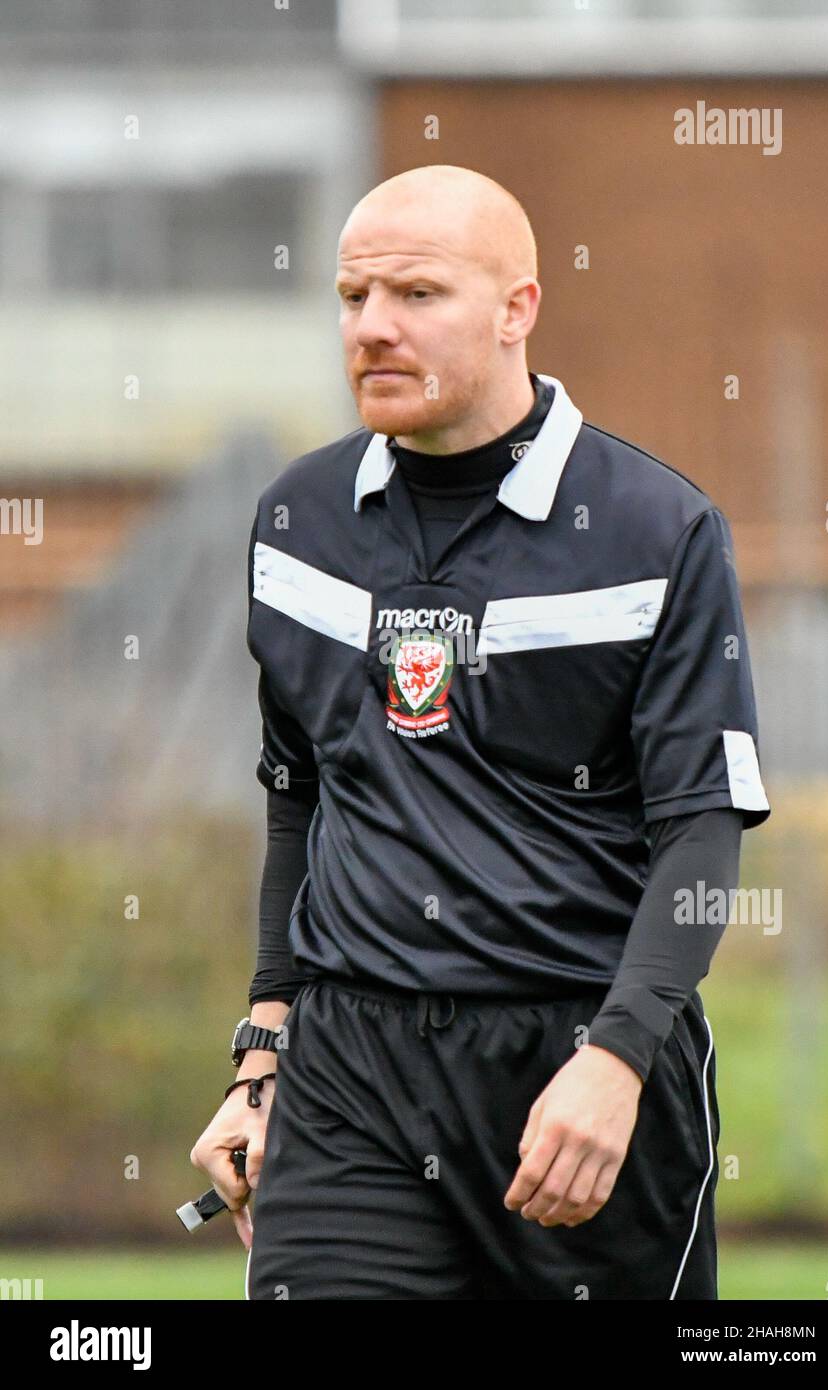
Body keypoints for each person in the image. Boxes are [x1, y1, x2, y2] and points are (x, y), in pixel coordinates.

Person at [190, 163, 770, 1300]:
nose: (371, 328)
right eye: (352, 298)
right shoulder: (297, 523)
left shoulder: (657, 529)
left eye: (414, 296)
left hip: (573, 1072)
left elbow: (700, 831)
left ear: (517, 310)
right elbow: (302, 793)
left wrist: (617, 1057)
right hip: (350, 1072)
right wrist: (264, 1045)